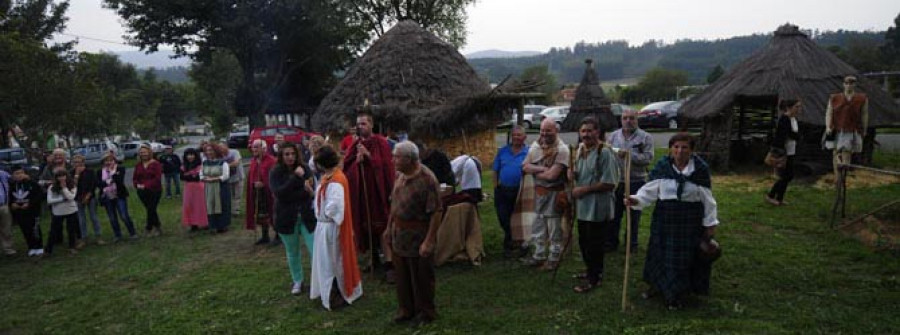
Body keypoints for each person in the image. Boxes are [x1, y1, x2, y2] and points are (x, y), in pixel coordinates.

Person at [625, 133, 720, 310]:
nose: (680, 151)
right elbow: (649, 191)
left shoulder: (699, 170)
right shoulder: (663, 167)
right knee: (659, 254)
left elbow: (708, 200)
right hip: (664, 219)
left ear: (692, 150)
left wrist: (710, 223)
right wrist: (635, 200)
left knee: (681, 260)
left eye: (684, 147)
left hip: (689, 221)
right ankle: (657, 286)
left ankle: (676, 294)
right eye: (676, 147)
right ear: (671, 149)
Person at [383, 141, 443, 326]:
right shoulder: (400, 176)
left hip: (418, 235)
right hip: (399, 235)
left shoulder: (427, 179)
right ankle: (406, 310)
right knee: (402, 276)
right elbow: (394, 204)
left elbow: (436, 212)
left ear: (410, 159)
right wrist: (388, 228)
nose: (393, 160)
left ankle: (425, 313)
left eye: (397, 156)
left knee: (421, 277)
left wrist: (429, 240)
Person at [568, 117, 619, 293]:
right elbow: (580, 173)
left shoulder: (604, 153)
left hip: (598, 207)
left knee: (595, 244)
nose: (586, 134)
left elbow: (609, 183)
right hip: (583, 207)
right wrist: (572, 174)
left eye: (590, 131)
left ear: (598, 132)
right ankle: (592, 270)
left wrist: (583, 190)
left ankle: (594, 279)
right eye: (583, 131)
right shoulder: (581, 150)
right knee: (584, 242)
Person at [310, 145, 363, 310]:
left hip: (331, 228)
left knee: (333, 261)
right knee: (325, 261)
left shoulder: (336, 181)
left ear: (322, 164)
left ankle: (338, 291)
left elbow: (334, 207)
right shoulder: (328, 177)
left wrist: (324, 214)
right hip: (323, 226)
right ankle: (329, 290)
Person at [343, 111, 395, 272]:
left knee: (382, 227)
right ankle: (374, 260)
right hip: (362, 194)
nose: (360, 126)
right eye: (358, 124)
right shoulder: (355, 144)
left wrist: (369, 156)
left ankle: (389, 264)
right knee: (366, 228)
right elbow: (346, 168)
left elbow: (387, 167)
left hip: (378, 193)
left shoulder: (380, 142)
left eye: (363, 123)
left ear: (371, 125)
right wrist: (356, 163)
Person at [521, 118, 570, 270]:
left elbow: (552, 176)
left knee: (555, 228)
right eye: (542, 130)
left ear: (556, 131)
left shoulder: (562, 150)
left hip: (554, 195)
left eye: (548, 130)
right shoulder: (536, 145)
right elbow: (524, 166)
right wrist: (541, 170)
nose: (544, 133)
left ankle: (554, 258)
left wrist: (534, 171)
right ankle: (539, 255)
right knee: (538, 226)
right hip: (539, 194)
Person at [270, 142, 317, 295]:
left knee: (314, 249)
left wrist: (299, 190)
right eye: (286, 154)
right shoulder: (276, 172)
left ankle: (317, 279)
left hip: (306, 216)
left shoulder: (305, 169)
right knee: (292, 251)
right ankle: (298, 280)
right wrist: (295, 179)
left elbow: (310, 191)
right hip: (286, 217)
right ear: (281, 156)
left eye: (293, 154)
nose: (290, 157)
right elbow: (279, 193)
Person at [607, 109, 655, 252]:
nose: (628, 121)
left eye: (632, 118)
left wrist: (629, 156)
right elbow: (607, 155)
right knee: (614, 215)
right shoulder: (613, 137)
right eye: (625, 118)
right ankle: (611, 243)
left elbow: (648, 158)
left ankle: (631, 244)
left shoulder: (645, 137)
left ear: (637, 120)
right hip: (616, 181)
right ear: (621, 120)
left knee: (633, 215)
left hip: (636, 181)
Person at [492, 125, 529, 256]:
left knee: (519, 219)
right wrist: (496, 187)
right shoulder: (503, 151)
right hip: (503, 190)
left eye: (519, 135)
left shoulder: (529, 152)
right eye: (514, 135)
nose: (516, 137)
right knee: (503, 218)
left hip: (520, 190)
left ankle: (515, 245)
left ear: (524, 137)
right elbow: (495, 170)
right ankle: (512, 239)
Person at [825, 75, 868, 177]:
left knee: (847, 152)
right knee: (836, 152)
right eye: (847, 83)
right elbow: (829, 112)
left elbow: (864, 114)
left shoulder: (861, 98)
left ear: (855, 85)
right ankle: (837, 177)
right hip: (836, 128)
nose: (849, 85)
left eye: (851, 83)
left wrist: (864, 129)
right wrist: (827, 126)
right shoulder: (835, 98)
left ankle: (843, 176)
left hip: (851, 129)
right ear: (843, 84)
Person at [767, 99, 802, 206]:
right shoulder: (784, 119)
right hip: (784, 151)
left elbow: (794, 134)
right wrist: (797, 137)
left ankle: (779, 198)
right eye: (796, 107)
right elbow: (786, 134)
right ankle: (771, 196)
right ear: (789, 108)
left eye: (799, 107)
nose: (799, 109)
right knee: (787, 175)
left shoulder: (793, 119)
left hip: (791, 150)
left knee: (788, 175)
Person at [98, 152, 138, 242]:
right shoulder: (100, 172)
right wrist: (107, 182)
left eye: (110, 160)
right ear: (103, 162)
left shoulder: (120, 169)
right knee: (112, 217)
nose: (108, 162)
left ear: (114, 160)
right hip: (107, 196)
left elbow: (119, 181)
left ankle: (132, 233)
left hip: (119, 195)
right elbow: (99, 184)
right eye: (106, 161)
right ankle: (118, 235)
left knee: (124, 215)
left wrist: (112, 173)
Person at [246, 139, 278, 245]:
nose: (253, 149)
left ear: (264, 149)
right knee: (261, 214)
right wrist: (253, 183)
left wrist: (264, 183)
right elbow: (251, 176)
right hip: (258, 193)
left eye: (256, 147)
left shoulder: (271, 161)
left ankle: (278, 235)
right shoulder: (254, 161)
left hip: (269, 193)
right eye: (253, 147)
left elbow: (274, 177)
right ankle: (265, 235)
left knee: (272, 213)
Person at [71, 155, 105, 246]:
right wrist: (76, 175)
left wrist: (88, 196)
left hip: (90, 197)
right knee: (81, 219)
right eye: (75, 162)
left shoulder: (90, 171)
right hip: (78, 198)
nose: (77, 164)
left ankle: (98, 236)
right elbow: (72, 186)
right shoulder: (72, 172)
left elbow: (93, 184)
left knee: (94, 217)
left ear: (83, 162)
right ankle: (83, 238)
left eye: (79, 162)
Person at [9, 165, 43, 256]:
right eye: (17, 174)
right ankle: (31, 246)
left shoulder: (32, 183)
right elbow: (9, 197)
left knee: (35, 228)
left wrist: (30, 204)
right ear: (13, 176)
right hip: (20, 212)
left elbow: (39, 195)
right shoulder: (12, 185)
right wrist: (12, 204)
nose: (19, 175)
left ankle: (39, 246)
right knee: (25, 229)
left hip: (32, 211)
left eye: (21, 173)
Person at [46, 168, 79, 255]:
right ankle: (48, 250)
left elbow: (71, 197)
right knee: (53, 231)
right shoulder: (51, 187)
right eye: (59, 177)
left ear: (66, 176)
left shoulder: (72, 185)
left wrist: (64, 188)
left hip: (71, 210)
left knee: (71, 230)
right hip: (58, 212)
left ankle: (72, 247)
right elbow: (49, 200)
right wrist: (61, 199)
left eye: (63, 176)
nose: (61, 178)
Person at [133, 144, 164, 236]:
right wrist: (137, 185)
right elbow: (135, 178)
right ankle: (157, 226)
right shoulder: (138, 165)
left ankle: (149, 227)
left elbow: (157, 178)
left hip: (155, 190)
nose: (143, 154)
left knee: (151, 208)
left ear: (149, 152)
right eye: (141, 152)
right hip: (142, 192)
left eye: (145, 152)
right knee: (150, 209)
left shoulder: (156, 164)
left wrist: (145, 185)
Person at [201, 143, 232, 233]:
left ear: (216, 151)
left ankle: (222, 225)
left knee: (222, 205)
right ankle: (212, 225)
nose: (209, 152)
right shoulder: (205, 163)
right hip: (209, 187)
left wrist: (215, 178)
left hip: (221, 186)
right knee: (210, 205)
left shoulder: (223, 163)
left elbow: (226, 175)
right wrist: (204, 178)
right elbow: (201, 174)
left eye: (211, 150)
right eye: (207, 150)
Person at [180, 148, 208, 231]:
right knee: (189, 206)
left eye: (192, 155)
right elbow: (182, 177)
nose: (190, 157)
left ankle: (204, 223)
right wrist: (191, 176)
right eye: (188, 155)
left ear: (195, 156)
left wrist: (188, 176)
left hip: (199, 188)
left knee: (200, 206)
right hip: (188, 188)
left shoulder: (200, 165)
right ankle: (193, 224)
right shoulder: (183, 166)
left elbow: (198, 177)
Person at [226, 147, 244, 216]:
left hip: (238, 177)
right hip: (228, 178)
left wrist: (225, 165)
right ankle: (230, 210)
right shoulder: (220, 155)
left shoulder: (234, 152)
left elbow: (236, 162)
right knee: (230, 195)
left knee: (237, 195)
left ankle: (236, 211)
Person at [0, 169, 14, 255]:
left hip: (3, 205)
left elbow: (13, 180)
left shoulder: (3, 174)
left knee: (6, 228)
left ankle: (8, 248)